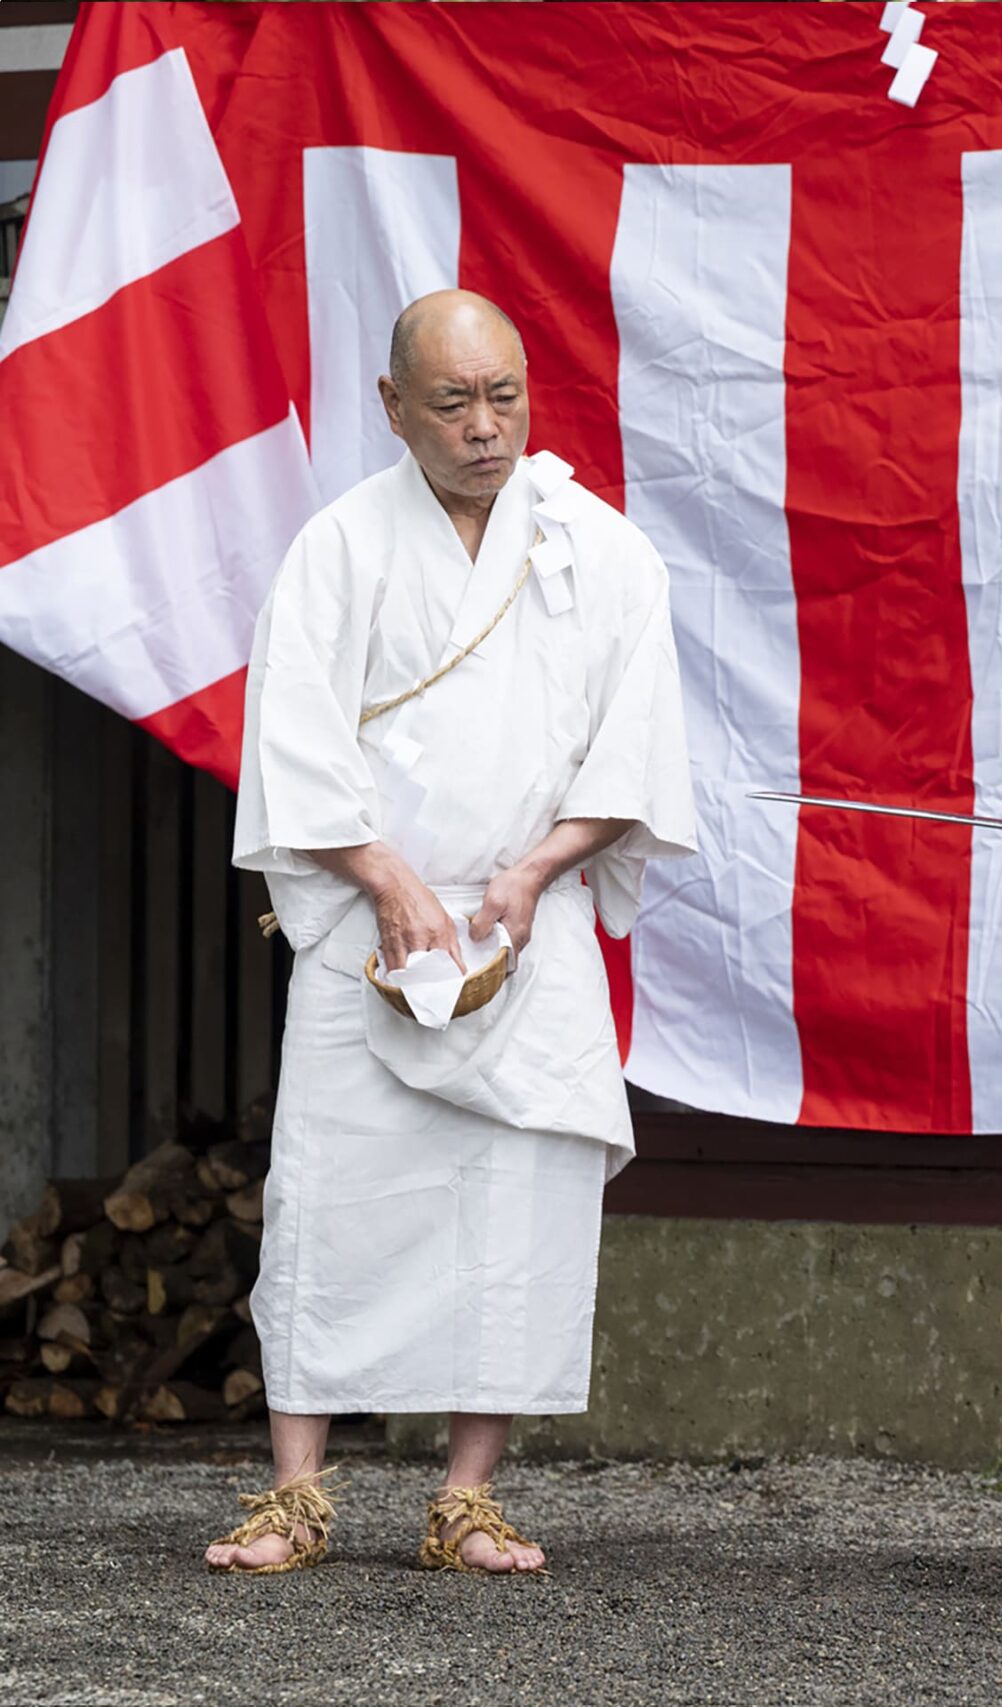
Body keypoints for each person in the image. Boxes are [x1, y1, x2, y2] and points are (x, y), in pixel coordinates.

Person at [205, 290, 696, 1576]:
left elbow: (636, 741)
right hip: (377, 928)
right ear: (391, 408)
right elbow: (293, 739)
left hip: (529, 917)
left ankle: (467, 1497)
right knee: (327, 1196)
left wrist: (540, 866)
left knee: (521, 1208)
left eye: (506, 398)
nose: (486, 428)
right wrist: (380, 872)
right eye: (453, 403)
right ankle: (297, 1493)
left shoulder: (603, 549)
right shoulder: (340, 546)